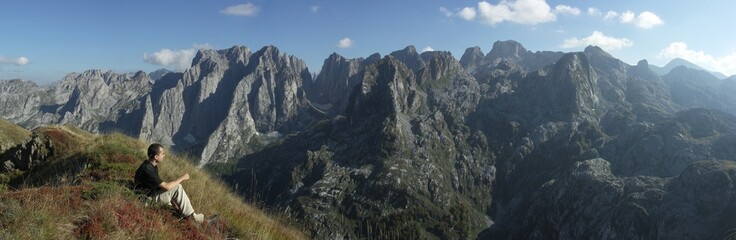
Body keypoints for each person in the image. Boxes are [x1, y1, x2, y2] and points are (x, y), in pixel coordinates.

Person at [134, 143, 205, 223]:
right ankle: (193, 218)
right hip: (146, 200)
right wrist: (182, 178)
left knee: (173, 191)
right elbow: (166, 187)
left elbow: (158, 185)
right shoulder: (147, 169)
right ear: (156, 157)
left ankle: (188, 215)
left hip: (150, 195)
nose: (164, 155)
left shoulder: (152, 165)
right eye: (162, 153)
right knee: (177, 187)